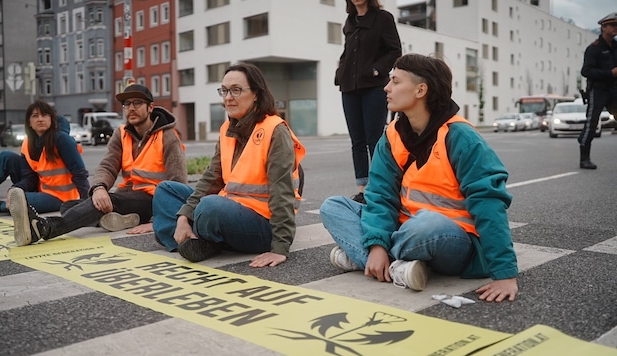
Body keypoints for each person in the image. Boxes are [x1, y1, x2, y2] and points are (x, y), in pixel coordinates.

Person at [320, 54, 519, 302]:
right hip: (404, 227)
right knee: (333, 207)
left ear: (420, 90)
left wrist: (505, 274)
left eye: (395, 81)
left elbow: (489, 202)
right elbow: (380, 195)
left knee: (426, 224)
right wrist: (376, 245)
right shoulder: (393, 135)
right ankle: (397, 267)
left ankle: (366, 258)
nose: (386, 88)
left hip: (450, 237)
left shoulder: (461, 137)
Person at [151, 62, 305, 268]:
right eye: (224, 91)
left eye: (236, 90)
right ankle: (193, 239)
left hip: (262, 223)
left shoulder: (274, 130)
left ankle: (194, 238)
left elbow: (282, 192)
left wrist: (280, 247)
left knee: (209, 207)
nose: (228, 97)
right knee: (165, 191)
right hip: (229, 208)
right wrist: (184, 216)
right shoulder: (227, 129)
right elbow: (210, 179)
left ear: (257, 94)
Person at [10, 83, 187, 246]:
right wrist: (99, 188)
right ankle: (120, 218)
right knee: (69, 206)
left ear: (150, 107)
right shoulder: (121, 133)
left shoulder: (168, 136)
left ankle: (45, 228)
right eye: (127, 104)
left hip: (154, 200)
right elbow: (107, 166)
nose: (131, 108)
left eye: (137, 103)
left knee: (104, 202)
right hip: (128, 197)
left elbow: (178, 183)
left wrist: (160, 220)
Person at [335, 0, 401, 204]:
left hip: (373, 86)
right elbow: (348, 52)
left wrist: (376, 69)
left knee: (375, 139)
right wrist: (340, 73)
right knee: (357, 141)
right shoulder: (350, 20)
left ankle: (382, 186)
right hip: (349, 87)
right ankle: (363, 189)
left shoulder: (383, 18)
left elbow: (394, 50)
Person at [0, 100, 89, 214]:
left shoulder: (62, 139)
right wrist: (16, 188)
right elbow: (30, 178)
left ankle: (1, 206)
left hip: (63, 197)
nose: (40, 119)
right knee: (5, 156)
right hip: (41, 189)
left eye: (44, 115)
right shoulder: (27, 143)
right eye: (35, 116)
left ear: (51, 119)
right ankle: (10, 201)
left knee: (18, 200)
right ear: (29, 122)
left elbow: (80, 173)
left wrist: (87, 204)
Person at [578, 12, 617, 169]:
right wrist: (610, 73)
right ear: (603, 27)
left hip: (614, 90)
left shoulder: (616, 47)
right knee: (592, 123)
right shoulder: (593, 49)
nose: (616, 28)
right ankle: (584, 158)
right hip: (598, 91)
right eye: (613, 25)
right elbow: (586, 71)